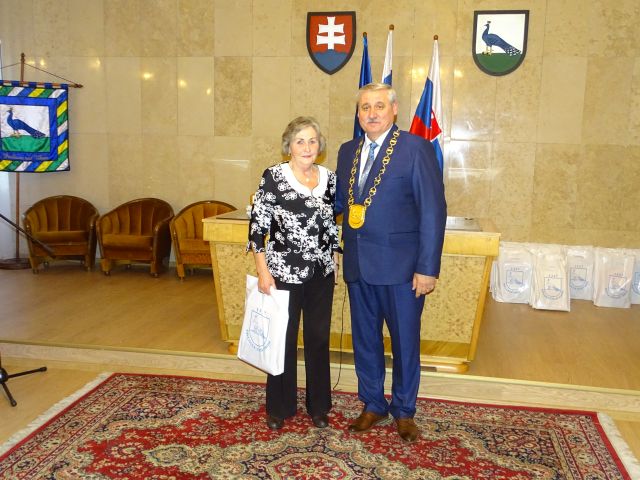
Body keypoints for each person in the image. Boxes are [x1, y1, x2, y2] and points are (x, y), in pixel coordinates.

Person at [335, 83, 447, 443]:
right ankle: (372, 404)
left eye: (379, 106)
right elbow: (337, 203)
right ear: (358, 113)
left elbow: (432, 211)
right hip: (359, 265)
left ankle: (404, 410)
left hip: (402, 270)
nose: (371, 113)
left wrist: (427, 268)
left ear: (394, 109)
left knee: (404, 342)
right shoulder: (347, 151)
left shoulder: (415, 148)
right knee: (365, 341)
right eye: (365, 107)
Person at [247, 116, 340, 431]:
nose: (307, 147)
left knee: (318, 338)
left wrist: (334, 259)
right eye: (300, 141)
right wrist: (263, 271)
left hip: (321, 274)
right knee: (282, 340)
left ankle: (319, 407)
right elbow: (257, 228)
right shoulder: (273, 176)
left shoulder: (330, 178)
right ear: (289, 146)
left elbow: (331, 226)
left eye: (312, 141)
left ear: (320, 145)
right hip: (283, 273)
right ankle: (279, 407)